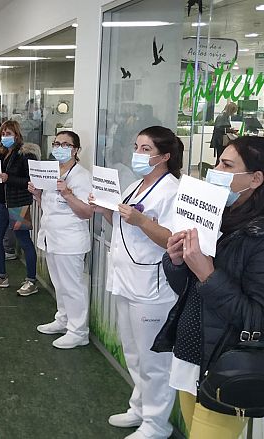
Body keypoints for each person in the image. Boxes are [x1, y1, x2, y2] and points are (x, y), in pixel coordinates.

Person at [153, 136, 264, 439]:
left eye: (227, 165)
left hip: (227, 367)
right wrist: (177, 261)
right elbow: (189, 290)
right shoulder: (219, 220)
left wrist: (208, 273)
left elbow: (260, 319)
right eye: (218, 162)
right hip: (191, 355)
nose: (215, 171)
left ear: (256, 179)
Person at [90, 126, 183, 439]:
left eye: (146, 149)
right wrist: (104, 210)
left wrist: (142, 221)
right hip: (125, 279)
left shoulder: (172, 191)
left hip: (152, 287)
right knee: (132, 351)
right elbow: (121, 225)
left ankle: (157, 424)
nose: (138, 154)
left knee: (153, 360)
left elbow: (173, 240)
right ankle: (140, 408)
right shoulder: (134, 185)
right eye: (136, 147)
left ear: (165, 156)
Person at [29, 131, 94, 348]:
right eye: (57, 144)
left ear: (76, 150)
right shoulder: (51, 172)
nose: (59, 148)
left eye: (66, 145)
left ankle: (78, 331)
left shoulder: (82, 176)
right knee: (59, 284)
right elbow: (49, 206)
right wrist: (37, 194)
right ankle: (63, 319)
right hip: (52, 237)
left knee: (72, 287)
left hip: (70, 240)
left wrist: (67, 194)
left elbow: (86, 212)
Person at [0, 121, 36, 293]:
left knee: (24, 240)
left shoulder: (25, 155)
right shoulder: (1, 154)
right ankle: (1, 275)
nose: (5, 137)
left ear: (17, 135)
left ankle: (31, 280)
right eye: (3, 134)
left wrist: (8, 178)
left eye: (8, 134)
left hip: (18, 204)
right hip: (0, 204)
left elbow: (30, 181)